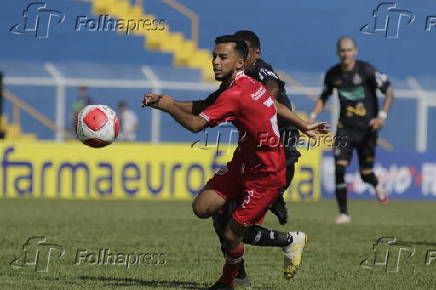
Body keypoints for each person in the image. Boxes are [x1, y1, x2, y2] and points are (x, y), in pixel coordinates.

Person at [142, 35, 324, 290]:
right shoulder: (246, 83)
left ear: (239, 63)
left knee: (231, 234)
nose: (215, 62)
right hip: (243, 163)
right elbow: (272, 104)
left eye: (222, 57)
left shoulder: (237, 93)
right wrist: (303, 123)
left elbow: (196, 126)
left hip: (266, 174)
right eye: (214, 56)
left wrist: (170, 105)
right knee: (202, 207)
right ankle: (255, 259)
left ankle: (235, 277)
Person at [309, 36, 394, 224]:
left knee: (365, 174)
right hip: (344, 129)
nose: (346, 54)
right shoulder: (333, 74)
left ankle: (377, 185)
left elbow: (389, 92)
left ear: (355, 51)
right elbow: (324, 97)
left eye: (349, 50)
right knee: (339, 167)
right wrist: (312, 117)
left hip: (367, 130)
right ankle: (344, 213)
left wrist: (382, 116)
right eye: (342, 50)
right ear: (338, 52)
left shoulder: (366, 70)